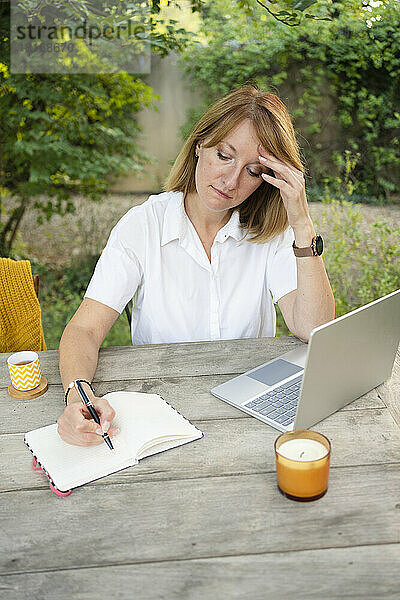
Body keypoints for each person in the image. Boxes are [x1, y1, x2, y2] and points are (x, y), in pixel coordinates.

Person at [57, 85, 335, 446]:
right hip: (159, 414)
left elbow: (314, 328)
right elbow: (84, 330)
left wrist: (302, 225)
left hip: (247, 415)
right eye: (224, 155)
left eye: (253, 171)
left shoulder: (271, 234)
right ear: (200, 145)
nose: (231, 181)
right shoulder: (143, 225)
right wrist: (77, 393)